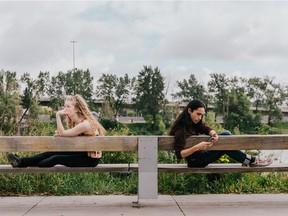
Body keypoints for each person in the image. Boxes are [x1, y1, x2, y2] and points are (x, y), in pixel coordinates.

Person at [7, 94, 106, 168]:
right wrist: (63, 134)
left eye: (68, 106)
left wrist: (58, 115)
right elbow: (65, 134)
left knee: (56, 158)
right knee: (52, 152)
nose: (65, 109)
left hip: (90, 159)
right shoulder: (77, 122)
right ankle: (21, 161)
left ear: (76, 109)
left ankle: (23, 163)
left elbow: (63, 133)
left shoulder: (85, 124)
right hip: (82, 153)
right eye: (64, 106)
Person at [169, 99, 272, 168]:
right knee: (226, 140)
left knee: (226, 134)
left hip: (201, 155)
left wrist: (213, 133)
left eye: (202, 115)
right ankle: (251, 160)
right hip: (196, 161)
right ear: (190, 111)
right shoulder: (181, 130)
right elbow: (179, 154)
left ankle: (248, 161)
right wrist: (197, 147)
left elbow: (203, 127)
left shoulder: (193, 122)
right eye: (198, 114)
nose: (199, 117)